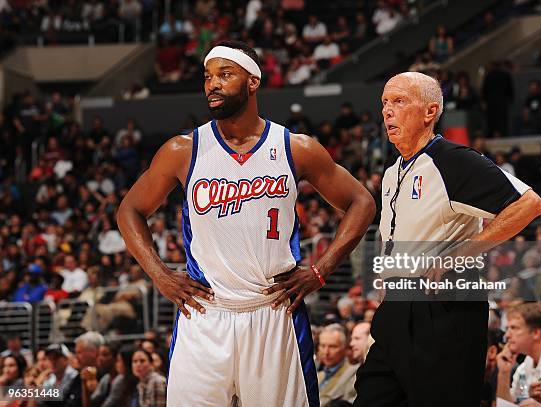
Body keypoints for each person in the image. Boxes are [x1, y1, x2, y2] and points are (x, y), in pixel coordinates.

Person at [117, 40, 375, 406]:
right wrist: (160, 274)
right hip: (205, 313)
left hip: (274, 313)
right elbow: (129, 211)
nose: (213, 84)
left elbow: (362, 201)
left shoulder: (294, 147)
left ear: (253, 81)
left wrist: (321, 269)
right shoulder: (183, 150)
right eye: (208, 77)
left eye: (225, 74)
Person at [353, 71, 541, 407]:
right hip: (396, 310)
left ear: (430, 112)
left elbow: (529, 204)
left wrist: (460, 252)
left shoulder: (453, 161)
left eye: (399, 101)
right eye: (384, 102)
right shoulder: (391, 172)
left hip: (443, 309)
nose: (387, 110)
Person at [318, 324, 359, 406]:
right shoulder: (318, 375)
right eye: (323, 346)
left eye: (333, 347)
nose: (326, 352)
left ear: (344, 348)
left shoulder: (354, 374)